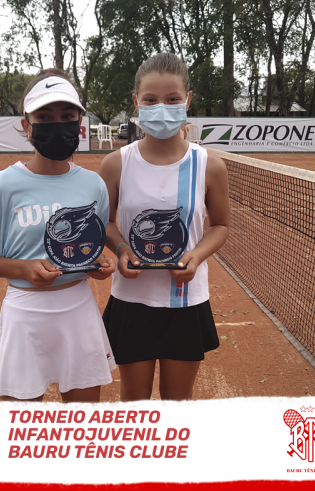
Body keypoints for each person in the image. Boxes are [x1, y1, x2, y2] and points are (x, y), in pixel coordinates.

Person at [0, 68, 116, 403]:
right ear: (26, 125)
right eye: (44, 117)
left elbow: (92, 244)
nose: (57, 124)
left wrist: (97, 263)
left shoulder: (94, 185)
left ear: (79, 122)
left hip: (78, 309)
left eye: (67, 116)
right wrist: (23, 268)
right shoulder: (0, 186)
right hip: (25, 313)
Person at [99, 53, 230, 401]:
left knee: (178, 399)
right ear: (136, 102)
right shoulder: (115, 164)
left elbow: (220, 225)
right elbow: (107, 223)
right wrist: (122, 249)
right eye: (150, 100)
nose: (161, 107)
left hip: (185, 301)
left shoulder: (209, 165)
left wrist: (196, 256)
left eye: (172, 99)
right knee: (134, 400)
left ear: (188, 99)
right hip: (132, 299)